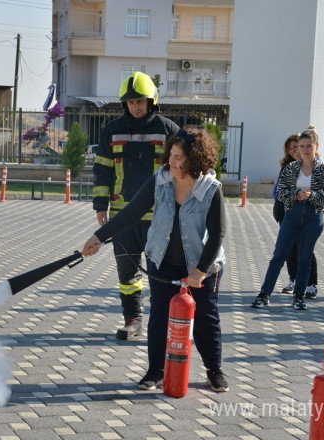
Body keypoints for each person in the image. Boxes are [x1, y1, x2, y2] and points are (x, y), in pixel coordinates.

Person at [82, 129, 228, 392]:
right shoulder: (160, 181)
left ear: (194, 159)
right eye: (170, 155)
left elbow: (217, 234)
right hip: (162, 260)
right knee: (160, 316)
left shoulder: (211, 189)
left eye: (178, 157)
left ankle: (214, 370)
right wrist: (99, 237)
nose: (171, 162)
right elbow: (131, 213)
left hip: (202, 265)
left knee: (206, 318)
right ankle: (155, 370)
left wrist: (200, 271)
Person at [92, 71, 179, 340]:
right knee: (127, 273)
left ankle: (163, 321)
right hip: (122, 216)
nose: (136, 107)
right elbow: (102, 171)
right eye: (131, 102)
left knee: (161, 273)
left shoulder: (169, 130)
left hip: (161, 217)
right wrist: (100, 206)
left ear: (151, 100)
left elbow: (184, 169)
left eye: (140, 101)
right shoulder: (112, 130)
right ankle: (133, 320)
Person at [252, 127, 324, 310]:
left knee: (305, 257)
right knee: (279, 255)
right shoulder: (291, 168)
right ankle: (264, 294)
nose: (305, 150)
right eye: (301, 146)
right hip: (292, 214)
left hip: (314, 217)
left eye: (309, 146)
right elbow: (280, 193)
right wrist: (296, 193)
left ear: (316, 146)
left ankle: (299, 296)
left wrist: (312, 195)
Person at [272, 134, 319, 298]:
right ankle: (293, 279)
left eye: (297, 147)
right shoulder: (287, 167)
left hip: (308, 213)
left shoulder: (315, 167)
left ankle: (311, 284)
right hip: (286, 212)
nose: (295, 151)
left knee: (305, 249)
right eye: (291, 148)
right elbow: (278, 190)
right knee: (290, 249)